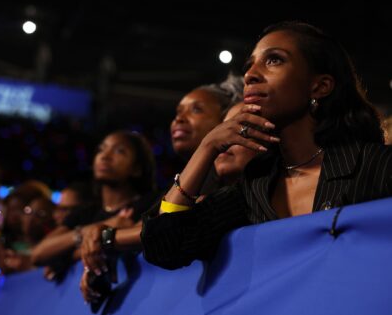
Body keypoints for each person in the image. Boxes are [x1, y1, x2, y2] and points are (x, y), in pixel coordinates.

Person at [141, 21, 392, 270]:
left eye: (274, 60)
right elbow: (164, 247)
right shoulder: (255, 186)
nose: (250, 75)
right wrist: (206, 147)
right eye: (250, 65)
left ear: (320, 86)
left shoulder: (376, 165)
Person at [79, 76, 249, 303]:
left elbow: (164, 230)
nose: (179, 118)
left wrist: (107, 238)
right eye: (178, 111)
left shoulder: (227, 185)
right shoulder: (181, 184)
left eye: (196, 110)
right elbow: (154, 227)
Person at [30, 130, 157, 270]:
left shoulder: (148, 204)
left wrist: (64, 257)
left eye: (119, 151)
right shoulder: (86, 212)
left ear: (137, 169)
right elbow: (38, 254)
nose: (105, 156)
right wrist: (103, 226)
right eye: (101, 149)